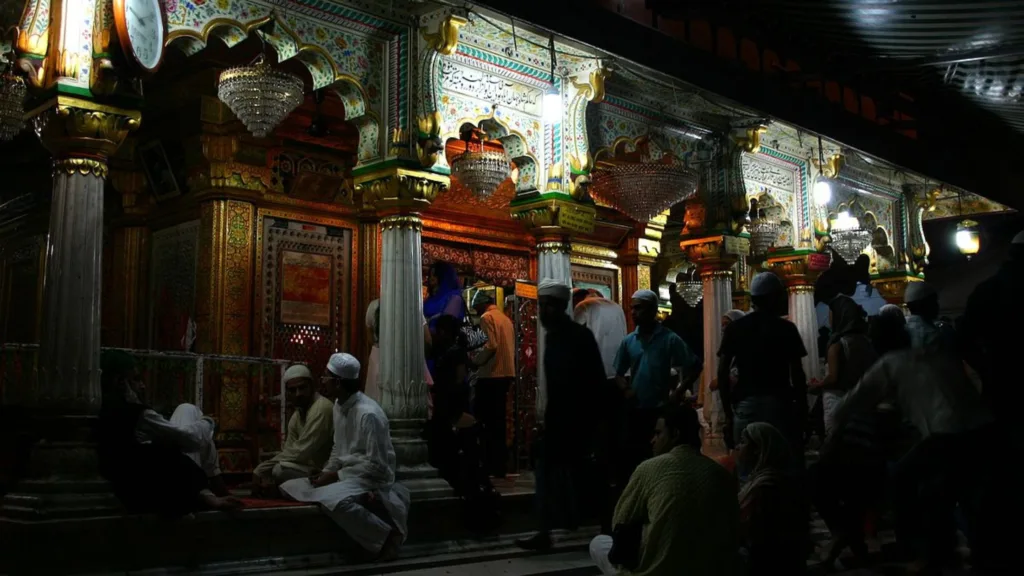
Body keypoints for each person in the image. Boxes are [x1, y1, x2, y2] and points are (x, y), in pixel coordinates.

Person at [830, 331, 995, 573]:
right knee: (948, 492)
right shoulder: (938, 356)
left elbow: (852, 401)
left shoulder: (890, 363)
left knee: (903, 479)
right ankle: (952, 552)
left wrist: (833, 435)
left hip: (948, 431)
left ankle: (916, 549)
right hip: (983, 428)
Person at [280, 353, 410, 561]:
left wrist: (336, 476)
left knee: (333, 501)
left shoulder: (368, 414)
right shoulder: (339, 406)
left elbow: (376, 465)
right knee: (290, 486)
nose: (322, 381)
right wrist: (325, 472)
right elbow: (338, 448)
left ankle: (385, 538)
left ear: (338, 383)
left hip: (371, 477)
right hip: (346, 474)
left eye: (326, 376)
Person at [589, 405, 739, 576]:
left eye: (658, 433)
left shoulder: (650, 468)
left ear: (674, 434)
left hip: (659, 570)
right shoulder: (720, 473)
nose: (653, 440)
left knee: (598, 543)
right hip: (714, 568)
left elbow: (620, 521)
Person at [517, 279, 606, 551]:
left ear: (559, 307)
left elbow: (594, 381)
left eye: (547, 306)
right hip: (558, 422)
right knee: (547, 473)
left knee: (580, 476)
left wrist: (591, 424)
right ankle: (547, 530)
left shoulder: (580, 336)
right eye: (540, 306)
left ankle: (603, 527)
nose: (542, 311)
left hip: (579, 422)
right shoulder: (553, 337)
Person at [96, 350, 241, 516]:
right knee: (189, 412)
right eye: (136, 380)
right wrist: (209, 421)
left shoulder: (101, 410)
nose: (142, 386)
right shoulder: (135, 415)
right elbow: (191, 440)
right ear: (120, 382)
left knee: (187, 413)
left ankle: (211, 489)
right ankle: (213, 487)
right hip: (150, 493)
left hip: (138, 488)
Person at [613, 289, 701, 486]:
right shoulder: (629, 341)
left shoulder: (669, 339)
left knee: (658, 459)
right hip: (635, 411)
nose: (634, 313)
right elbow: (618, 374)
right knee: (633, 459)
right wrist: (626, 389)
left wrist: (679, 391)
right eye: (632, 308)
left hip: (660, 412)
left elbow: (695, 366)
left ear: (652, 310)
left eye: (639, 308)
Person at [718, 272, 808, 460]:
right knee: (779, 464)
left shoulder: (736, 328)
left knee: (747, 466)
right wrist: (802, 409)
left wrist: (727, 413)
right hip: (779, 405)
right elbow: (797, 373)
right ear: (774, 298)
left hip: (746, 405)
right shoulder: (786, 328)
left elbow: (722, 372)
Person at [574, 288, 629, 532]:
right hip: (619, 379)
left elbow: (577, 341)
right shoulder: (617, 308)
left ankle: (594, 504)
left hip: (593, 379)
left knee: (595, 442)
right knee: (615, 442)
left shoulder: (582, 308)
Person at [737, 422, 809, 575]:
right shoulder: (770, 479)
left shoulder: (766, 488)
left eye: (743, 442)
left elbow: (756, 539)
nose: (738, 447)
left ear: (757, 449)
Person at [252, 364, 335, 496]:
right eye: (293, 390)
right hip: (308, 468)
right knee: (279, 468)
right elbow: (289, 451)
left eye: (302, 388)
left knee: (279, 470)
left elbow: (302, 451)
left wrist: (262, 469)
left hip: (326, 471)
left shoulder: (322, 408)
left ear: (312, 387)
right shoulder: (297, 415)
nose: (298, 394)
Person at [813, 295, 877, 436]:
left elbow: (833, 377)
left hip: (837, 400)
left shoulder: (837, 344)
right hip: (861, 399)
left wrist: (817, 386)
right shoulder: (866, 341)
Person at [470, 290, 516, 478]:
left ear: (481, 305)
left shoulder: (486, 318)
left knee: (487, 422)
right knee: (499, 421)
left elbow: (491, 345)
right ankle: (500, 465)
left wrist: (475, 362)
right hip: (507, 373)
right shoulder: (505, 319)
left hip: (491, 375)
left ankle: (489, 463)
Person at [903, 281, 958, 358]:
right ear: (925, 305)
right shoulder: (933, 334)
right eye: (934, 302)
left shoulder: (900, 329)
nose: (937, 306)